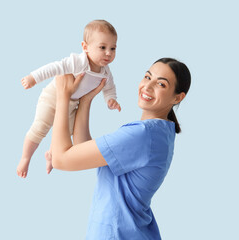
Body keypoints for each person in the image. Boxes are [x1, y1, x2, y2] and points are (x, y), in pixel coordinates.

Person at [51, 57, 191, 239]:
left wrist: (62, 96)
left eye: (161, 84)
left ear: (178, 97)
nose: (147, 87)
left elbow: (61, 160)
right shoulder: (160, 133)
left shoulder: (142, 134)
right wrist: (85, 101)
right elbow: (82, 150)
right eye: (148, 77)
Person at [17, 20, 121, 178]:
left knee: (66, 132)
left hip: (72, 105)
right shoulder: (78, 62)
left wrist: (110, 99)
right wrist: (33, 78)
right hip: (52, 98)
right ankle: (25, 158)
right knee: (40, 127)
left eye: (113, 48)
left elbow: (109, 88)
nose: (108, 53)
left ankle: (52, 155)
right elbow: (54, 67)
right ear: (85, 47)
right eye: (102, 47)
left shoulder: (105, 72)